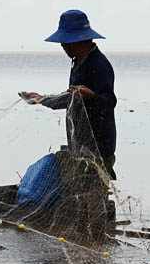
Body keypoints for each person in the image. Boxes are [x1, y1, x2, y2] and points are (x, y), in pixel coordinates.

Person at [20, 10, 117, 179]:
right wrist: (41, 99)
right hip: (80, 145)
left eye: (65, 42)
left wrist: (92, 96)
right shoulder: (78, 62)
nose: (62, 46)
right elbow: (71, 97)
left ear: (77, 40)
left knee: (94, 196)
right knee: (80, 195)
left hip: (98, 148)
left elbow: (109, 102)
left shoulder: (99, 65)